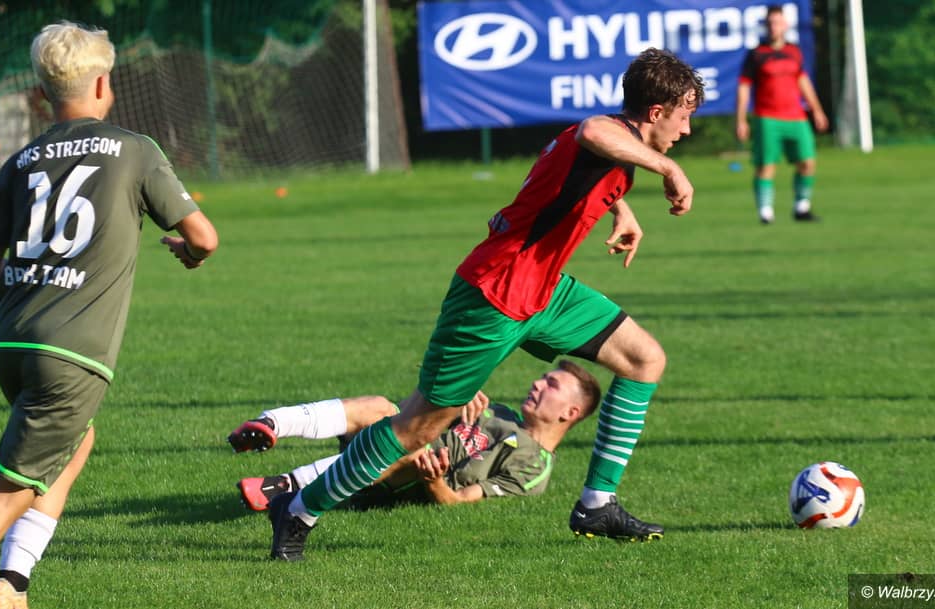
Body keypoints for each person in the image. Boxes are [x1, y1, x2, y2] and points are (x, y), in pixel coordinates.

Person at [265, 47, 705, 561]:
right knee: (417, 426)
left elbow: (577, 163)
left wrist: (618, 208)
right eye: (684, 116)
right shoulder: (603, 132)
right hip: (493, 294)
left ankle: (596, 504)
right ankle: (299, 509)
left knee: (644, 359)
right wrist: (668, 169)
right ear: (656, 112)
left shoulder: (611, 145)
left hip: (544, 290)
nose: (686, 130)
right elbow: (592, 134)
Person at [0, 21, 219, 609]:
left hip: (12, 345)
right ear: (101, 86)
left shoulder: (20, 162)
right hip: (71, 355)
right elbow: (204, 237)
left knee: (74, 442)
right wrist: (190, 254)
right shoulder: (135, 150)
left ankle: (12, 585)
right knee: (2, 496)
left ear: (40, 94)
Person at [229, 361, 601, 511]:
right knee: (380, 406)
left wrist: (434, 481)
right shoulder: (500, 412)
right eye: (543, 378)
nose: (537, 383)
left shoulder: (533, 466)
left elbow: (459, 502)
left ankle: (284, 486)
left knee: (407, 449)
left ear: (570, 413)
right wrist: (457, 393)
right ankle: (271, 424)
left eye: (551, 385)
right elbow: (415, 407)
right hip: (401, 440)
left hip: (400, 478)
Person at [735, 4, 829, 225]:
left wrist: (817, 109)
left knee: (807, 162)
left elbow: (802, 80)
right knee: (766, 165)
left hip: (796, 116)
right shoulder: (756, 54)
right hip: (768, 117)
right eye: (770, 23)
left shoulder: (794, 51)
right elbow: (744, 87)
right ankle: (765, 212)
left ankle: (802, 207)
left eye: (777, 22)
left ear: (785, 25)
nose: (774, 27)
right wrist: (741, 119)